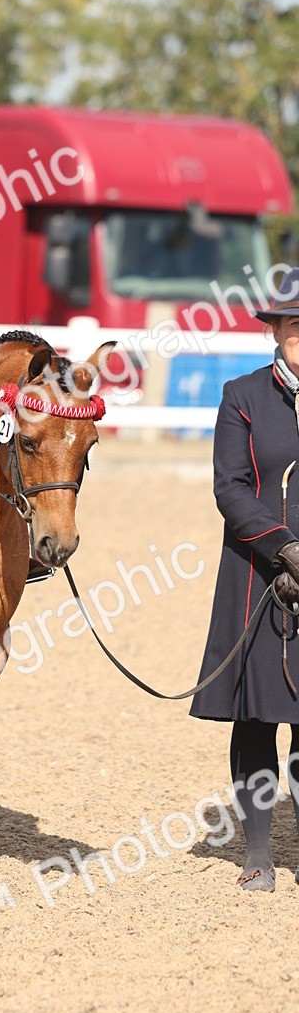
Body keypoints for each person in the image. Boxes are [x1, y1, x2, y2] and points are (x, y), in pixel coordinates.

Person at [191, 266, 299, 892]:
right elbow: (229, 487)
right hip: (257, 575)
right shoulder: (242, 395)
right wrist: (286, 549)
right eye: (294, 323)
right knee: (257, 718)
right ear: (275, 331)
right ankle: (257, 851)